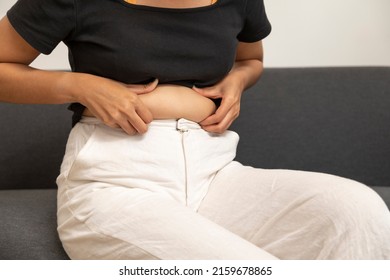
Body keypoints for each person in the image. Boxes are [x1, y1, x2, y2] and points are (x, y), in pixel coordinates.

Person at [1, 0, 389, 260]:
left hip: (216, 172)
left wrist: (238, 81)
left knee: (357, 210)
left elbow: (250, 59)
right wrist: (80, 84)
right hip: (115, 180)